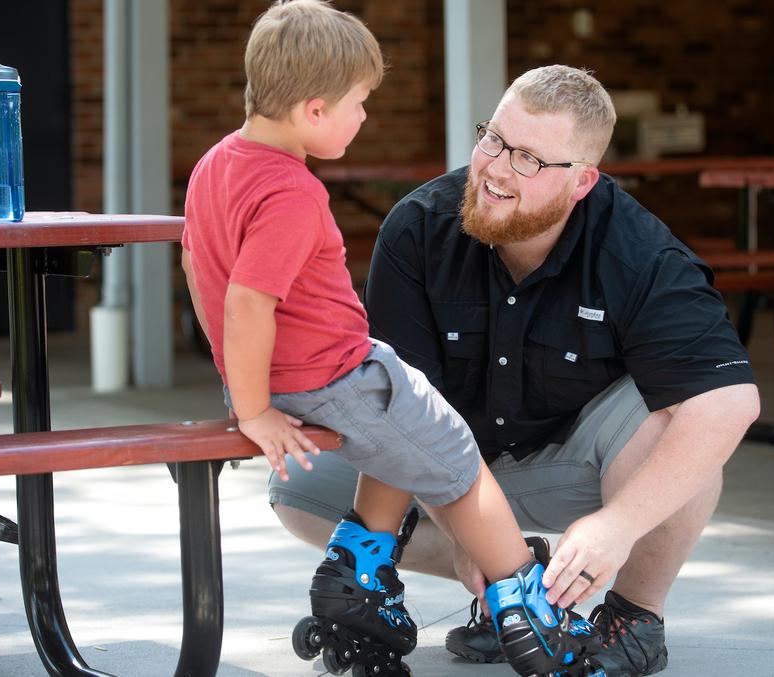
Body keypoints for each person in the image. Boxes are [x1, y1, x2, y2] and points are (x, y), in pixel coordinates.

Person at [268, 64, 761, 676]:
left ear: (582, 181)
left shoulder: (639, 253)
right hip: (448, 460)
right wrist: (487, 547)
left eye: (528, 158)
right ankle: (521, 592)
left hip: (573, 472)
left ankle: (634, 617)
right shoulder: (419, 227)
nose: (497, 169)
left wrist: (617, 525)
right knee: (300, 488)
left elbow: (731, 403)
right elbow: (397, 408)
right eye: (493, 139)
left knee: (688, 433)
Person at [181, 4, 608, 676]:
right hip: (335, 374)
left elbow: (199, 270)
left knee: (400, 430)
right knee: (458, 461)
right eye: (359, 104)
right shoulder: (291, 191)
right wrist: (257, 408)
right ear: (315, 111)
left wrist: (244, 385)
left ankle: (361, 577)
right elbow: (247, 301)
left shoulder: (215, 164)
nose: (364, 117)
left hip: (298, 376)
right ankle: (529, 609)